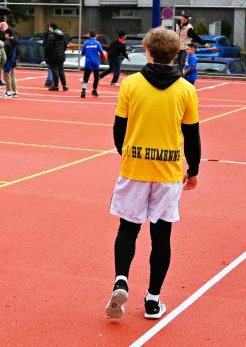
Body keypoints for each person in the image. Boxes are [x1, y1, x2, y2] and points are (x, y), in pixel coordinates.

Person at [104, 27, 201, 321]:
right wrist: (193, 170)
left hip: (135, 166)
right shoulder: (186, 89)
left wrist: (126, 153)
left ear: (147, 51)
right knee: (161, 236)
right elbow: (192, 135)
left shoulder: (130, 84)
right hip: (167, 171)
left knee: (127, 229)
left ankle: (121, 280)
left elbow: (119, 128)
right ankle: (153, 300)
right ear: (174, 54)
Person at [80, 31, 106, 98]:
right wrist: (104, 57)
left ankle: (83, 90)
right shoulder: (97, 43)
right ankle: (94, 90)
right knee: (96, 77)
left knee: (86, 77)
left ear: (89, 36)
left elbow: (82, 52)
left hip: (88, 62)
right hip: (95, 62)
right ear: (95, 36)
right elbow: (101, 52)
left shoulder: (86, 43)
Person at [44, 22, 68, 91]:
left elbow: (48, 48)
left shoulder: (51, 36)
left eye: (49, 27)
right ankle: (65, 86)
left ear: (51, 27)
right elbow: (65, 45)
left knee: (55, 71)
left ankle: (56, 86)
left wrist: (46, 56)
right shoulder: (62, 35)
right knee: (61, 71)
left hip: (53, 57)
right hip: (61, 56)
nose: (49, 29)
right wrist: (62, 52)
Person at [1, 29, 18, 98]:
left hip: (8, 61)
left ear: (7, 34)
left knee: (6, 77)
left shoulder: (6, 42)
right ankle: (14, 91)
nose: (4, 35)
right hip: (13, 61)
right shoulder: (16, 41)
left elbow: (4, 53)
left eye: (5, 34)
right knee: (12, 77)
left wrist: (2, 61)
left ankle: (8, 92)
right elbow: (18, 52)